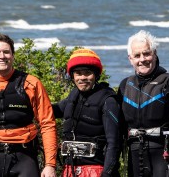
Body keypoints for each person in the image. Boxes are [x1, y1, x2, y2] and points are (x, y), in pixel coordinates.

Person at [0, 34, 57, 177]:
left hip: (25, 157)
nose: (2, 56)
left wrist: (50, 165)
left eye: (6, 52)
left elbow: (47, 124)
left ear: (13, 55)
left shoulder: (31, 83)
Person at [118, 30, 169, 177]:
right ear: (130, 58)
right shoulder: (125, 85)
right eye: (137, 55)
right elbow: (118, 129)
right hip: (135, 156)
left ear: (154, 54)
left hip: (162, 156)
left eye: (146, 53)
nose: (142, 59)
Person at [52, 48, 121, 177]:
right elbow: (52, 111)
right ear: (72, 76)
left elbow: (114, 142)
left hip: (97, 170)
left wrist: (107, 173)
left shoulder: (108, 100)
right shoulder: (73, 97)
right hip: (71, 169)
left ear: (96, 75)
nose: (83, 78)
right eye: (78, 73)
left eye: (87, 73)